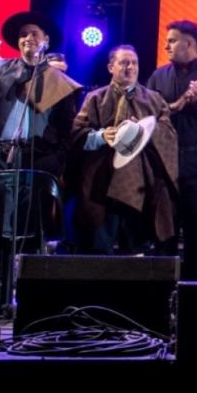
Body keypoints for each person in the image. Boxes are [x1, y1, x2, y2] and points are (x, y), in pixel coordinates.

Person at [0, 11, 81, 305]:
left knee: (30, 228)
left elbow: (67, 129)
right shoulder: (0, 70)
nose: (28, 38)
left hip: (36, 158)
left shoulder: (58, 79)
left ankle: (26, 295)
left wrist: (55, 161)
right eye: (23, 35)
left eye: (34, 34)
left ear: (46, 40)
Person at [70, 45, 178, 255]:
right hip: (101, 182)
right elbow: (76, 135)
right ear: (111, 67)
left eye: (134, 63)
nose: (130, 68)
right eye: (124, 63)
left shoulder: (154, 100)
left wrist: (145, 131)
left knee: (135, 251)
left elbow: (169, 135)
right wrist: (102, 136)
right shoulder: (95, 98)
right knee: (99, 249)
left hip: (141, 184)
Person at [147, 20, 197, 280]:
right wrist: (177, 105)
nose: (166, 46)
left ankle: (194, 291)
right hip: (165, 163)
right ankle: (162, 289)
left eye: (172, 41)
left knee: (196, 231)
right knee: (164, 229)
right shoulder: (158, 76)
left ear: (190, 43)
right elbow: (148, 116)